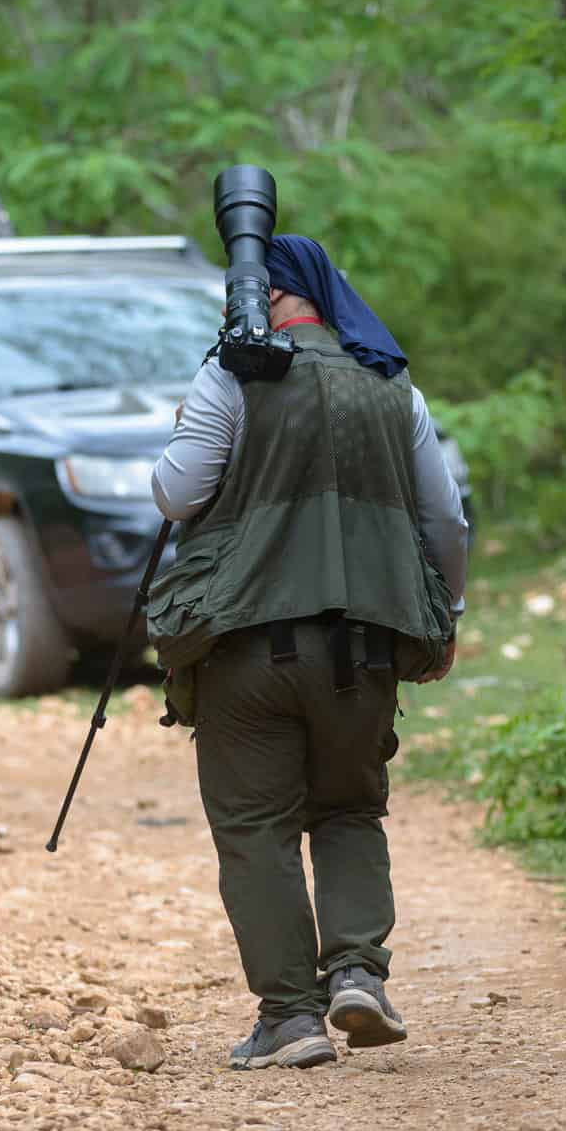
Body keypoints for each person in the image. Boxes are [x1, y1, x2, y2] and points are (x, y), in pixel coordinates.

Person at [147, 235, 468, 1071]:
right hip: (362, 648)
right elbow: (446, 522)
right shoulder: (393, 386)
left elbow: (176, 493)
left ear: (263, 292)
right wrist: (448, 615)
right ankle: (358, 970)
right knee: (349, 808)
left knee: (256, 826)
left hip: (245, 650)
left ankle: (290, 1018)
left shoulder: (232, 376)